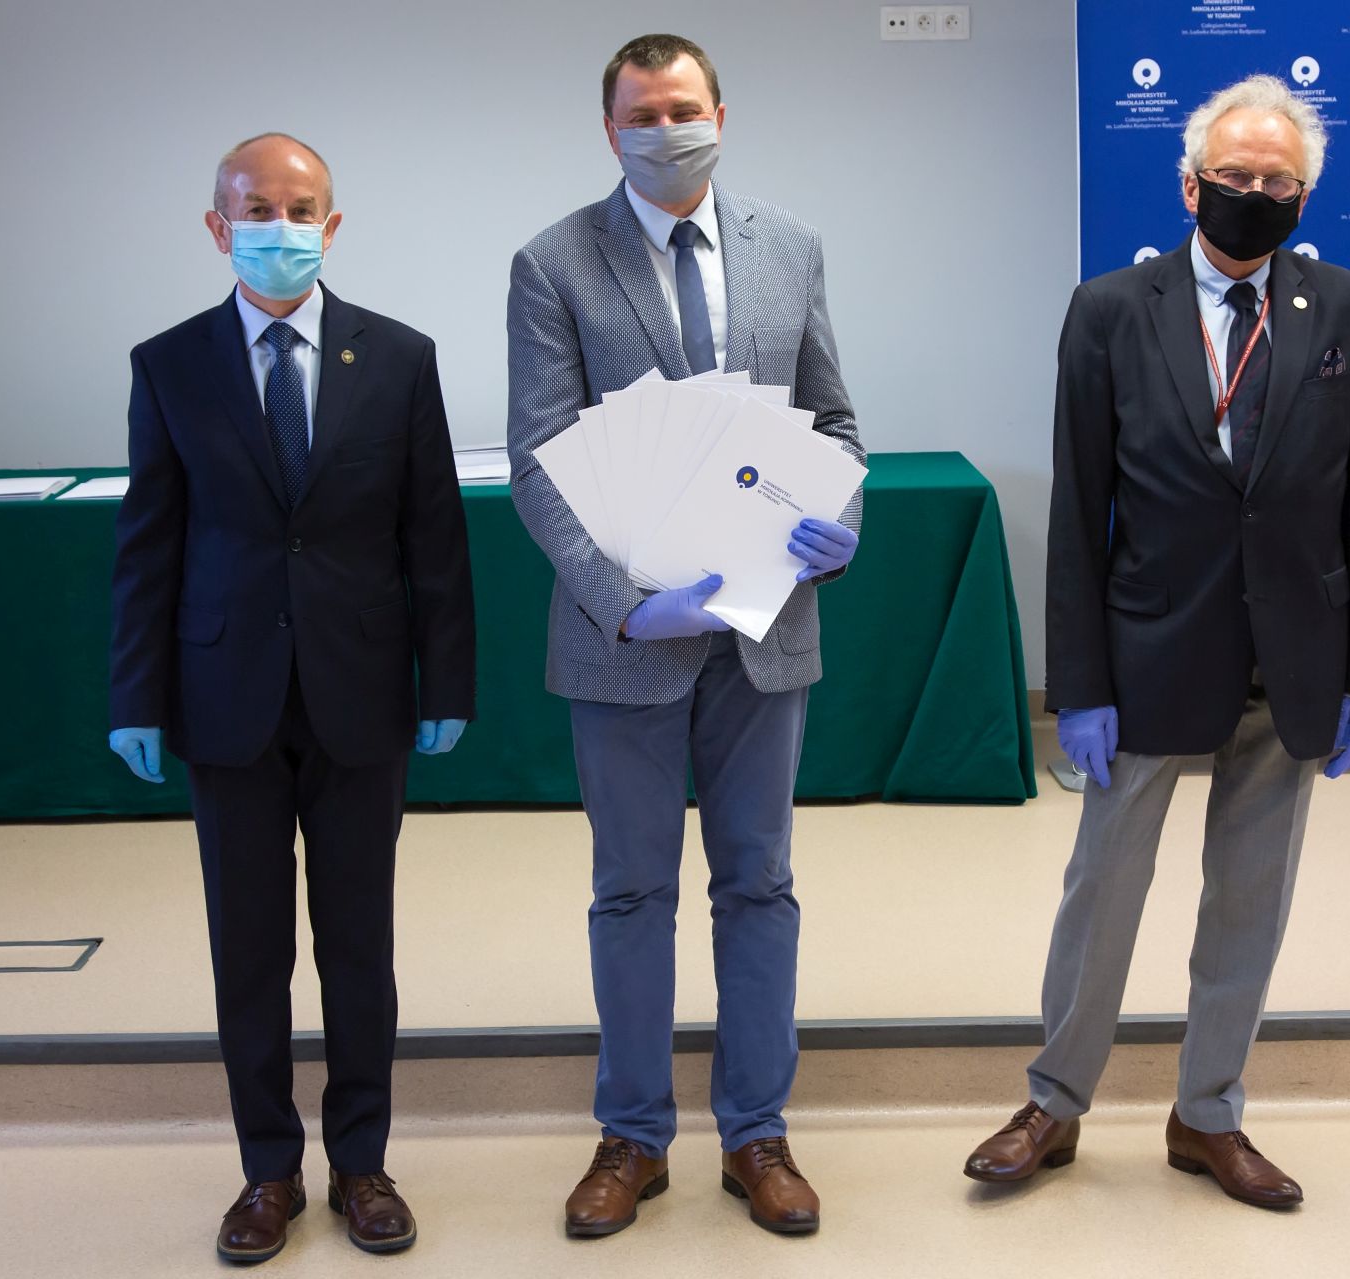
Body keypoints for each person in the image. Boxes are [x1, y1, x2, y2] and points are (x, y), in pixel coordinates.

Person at [965, 75, 1350, 1209]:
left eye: (1278, 182)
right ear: (1190, 184)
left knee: (1250, 897)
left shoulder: (1344, 305)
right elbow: (1079, 508)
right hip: (1149, 647)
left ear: (1304, 197)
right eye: (1235, 175)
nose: (1256, 194)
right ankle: (1054, 1102)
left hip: (1293, 655)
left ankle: (1209, 1114)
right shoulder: (1111, 308)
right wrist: (1079, 685)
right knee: (1104, 888)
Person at [506, 33, 864, 1239]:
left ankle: (757, 1134)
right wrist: (623, 600)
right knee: (631, 890)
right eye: (642, 115)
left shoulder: (791, 248)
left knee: (758, 882)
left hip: (766, 628)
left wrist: (842, 522)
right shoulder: (554, 261)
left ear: (722, 111)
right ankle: (633, 1135)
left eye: (683, 109)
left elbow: (836, 424)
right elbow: (538, 463)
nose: (667, 131)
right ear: (608, 130)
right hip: (628, 638)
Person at [107, 132, 476, 1261]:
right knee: (249, 948)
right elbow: (149, 542)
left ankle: (363, 1162)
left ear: (334, 223)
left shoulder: (400, 357)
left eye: (301, 208)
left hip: (360, 692)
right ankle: (268, 1169)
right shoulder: (170, 364)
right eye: (256, 209)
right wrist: (135, 695)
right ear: (217, 227)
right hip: (226, 697)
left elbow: (435, 537)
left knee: (358, 944)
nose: (280, 226)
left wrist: (447, 678)